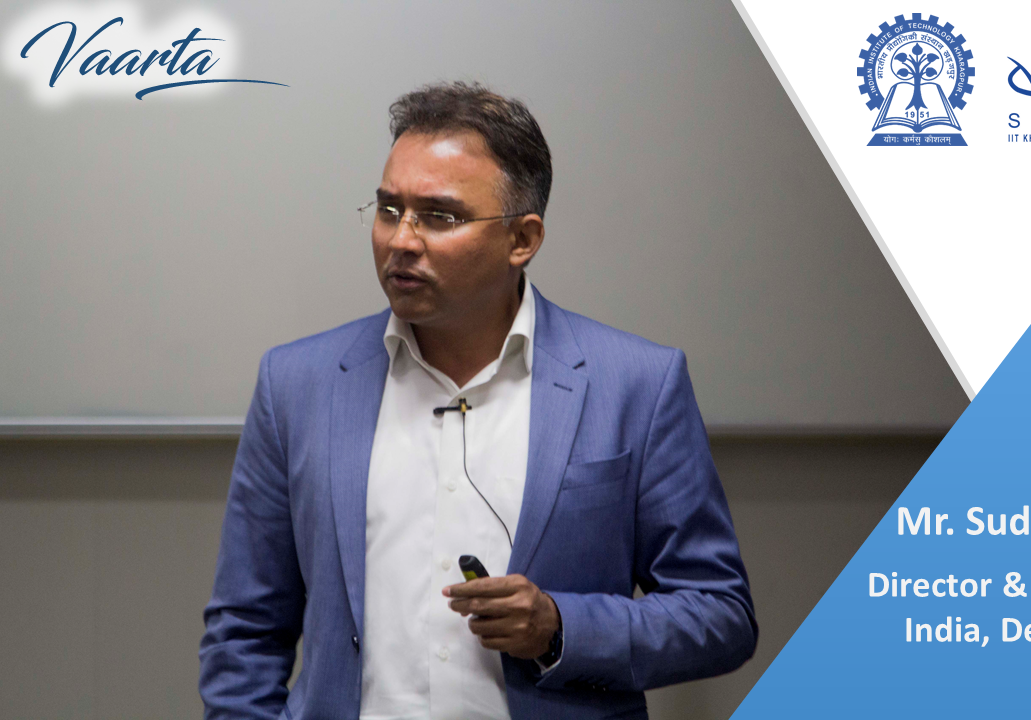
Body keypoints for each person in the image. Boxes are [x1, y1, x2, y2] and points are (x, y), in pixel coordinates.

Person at [198, 81, 756, 720]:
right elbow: (244, 627)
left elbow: (720, 614)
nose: (402, 240)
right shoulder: (298, 384)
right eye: (388, 209)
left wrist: (559, 627)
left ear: (522, 239)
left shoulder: (636, 386)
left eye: (439, 217)